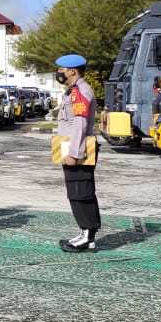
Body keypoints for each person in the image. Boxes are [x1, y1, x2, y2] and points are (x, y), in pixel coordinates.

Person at [55, 54, 100, 253]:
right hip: (71, 146)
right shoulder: (73, 91)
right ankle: (85, 233)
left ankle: (88, 236)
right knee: (76, 192)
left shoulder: (80, 92)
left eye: (61, 70)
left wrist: (74, 153)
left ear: (72, 71)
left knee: (82, 192)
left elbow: (80, 124)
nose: (59, 73)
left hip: (79, 149)